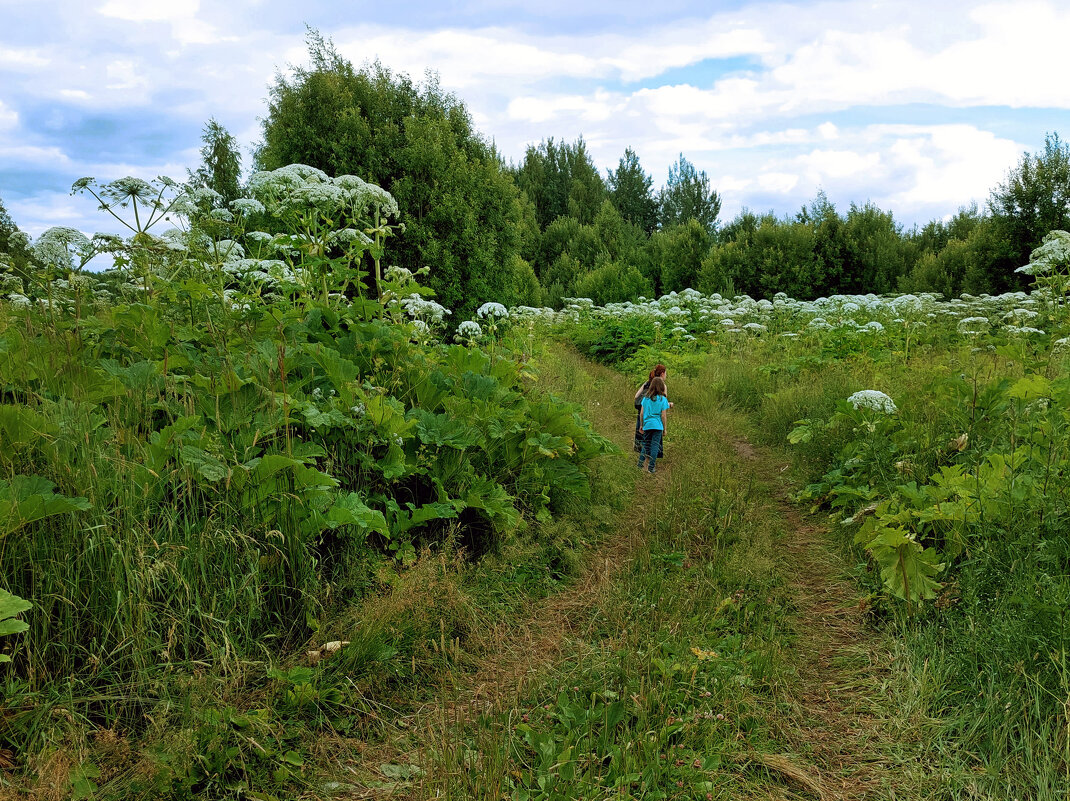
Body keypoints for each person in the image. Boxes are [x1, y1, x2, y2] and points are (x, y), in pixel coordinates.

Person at [634, 365, 672, 455]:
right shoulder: (663, 386)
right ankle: (651, 461)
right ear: (662, 373)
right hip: (656, 418)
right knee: (654, 442)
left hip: (643, 413)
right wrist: (669, 405)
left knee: (644, 439)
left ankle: (642, 460)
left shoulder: (647, 382)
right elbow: (663, 403)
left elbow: (636, 396)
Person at [637, 376, 670, 474]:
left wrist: (641, 425)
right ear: (661, 387)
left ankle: (640, 464)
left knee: (646, 445)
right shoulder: (663, 399)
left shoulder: (646, 399)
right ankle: (651, 467)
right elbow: (663, 416)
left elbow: (642, 413)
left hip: (647, 425)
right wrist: (664, 429)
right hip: (658, 426)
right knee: (655, 446)